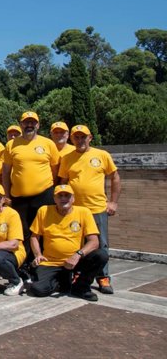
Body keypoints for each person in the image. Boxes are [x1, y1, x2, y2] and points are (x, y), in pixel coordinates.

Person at [58, 125, 121, 294]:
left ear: (90, 137)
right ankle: (79, 275)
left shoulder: (102, 155)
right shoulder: (67, 158)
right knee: (77, 244)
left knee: (101, 244)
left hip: (96, 208)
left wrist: (113, 202)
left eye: (83, 137)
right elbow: (63, 182)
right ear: (72, 139)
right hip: (75, 211)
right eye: (76, 137)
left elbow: (115, 177)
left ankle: (103, 278)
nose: (80, 140)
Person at [29, 184, 109, 302]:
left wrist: (77, 255)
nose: (63, 198)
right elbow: (34, 237)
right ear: (54, 199)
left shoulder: (83, 212)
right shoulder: (44, 211)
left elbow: (94, 242)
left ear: (73, 199)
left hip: (75, 260)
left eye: (67, 195)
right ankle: (63, 281)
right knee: (38, 290)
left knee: (101, 255)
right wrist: (38, 255)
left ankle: (81, 287)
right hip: (50, 262)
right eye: (59, 196)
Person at [2, 111, 60, 264]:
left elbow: (55, 170)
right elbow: (6, 172)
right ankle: (25, 265)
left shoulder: (48, 144)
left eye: (32, 122)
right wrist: (6, 195)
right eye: (26, 122)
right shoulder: (11, 145)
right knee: (23, 232)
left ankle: (44, 263)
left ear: (38, 125)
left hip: (44, 195)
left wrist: (50, 190)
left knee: (43, 231)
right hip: (19, 198)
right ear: (21, 125)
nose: (29, 125)